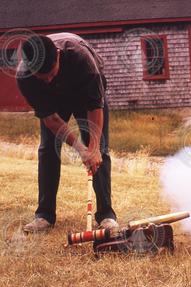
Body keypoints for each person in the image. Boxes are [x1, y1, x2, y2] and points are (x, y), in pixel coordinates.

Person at [16, 32, 118, 232]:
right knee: (47, 149)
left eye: (52, 74)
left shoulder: (82, 60)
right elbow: (51, 119)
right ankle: (44, 216)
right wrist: (80, 148)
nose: (48, 80)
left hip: (85, 95)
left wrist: (92, 148)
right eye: (42, 78)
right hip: (54, 102)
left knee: (99, 150)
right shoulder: (25, 76)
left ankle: (106, 214)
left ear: (58, 55)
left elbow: (95, 106)